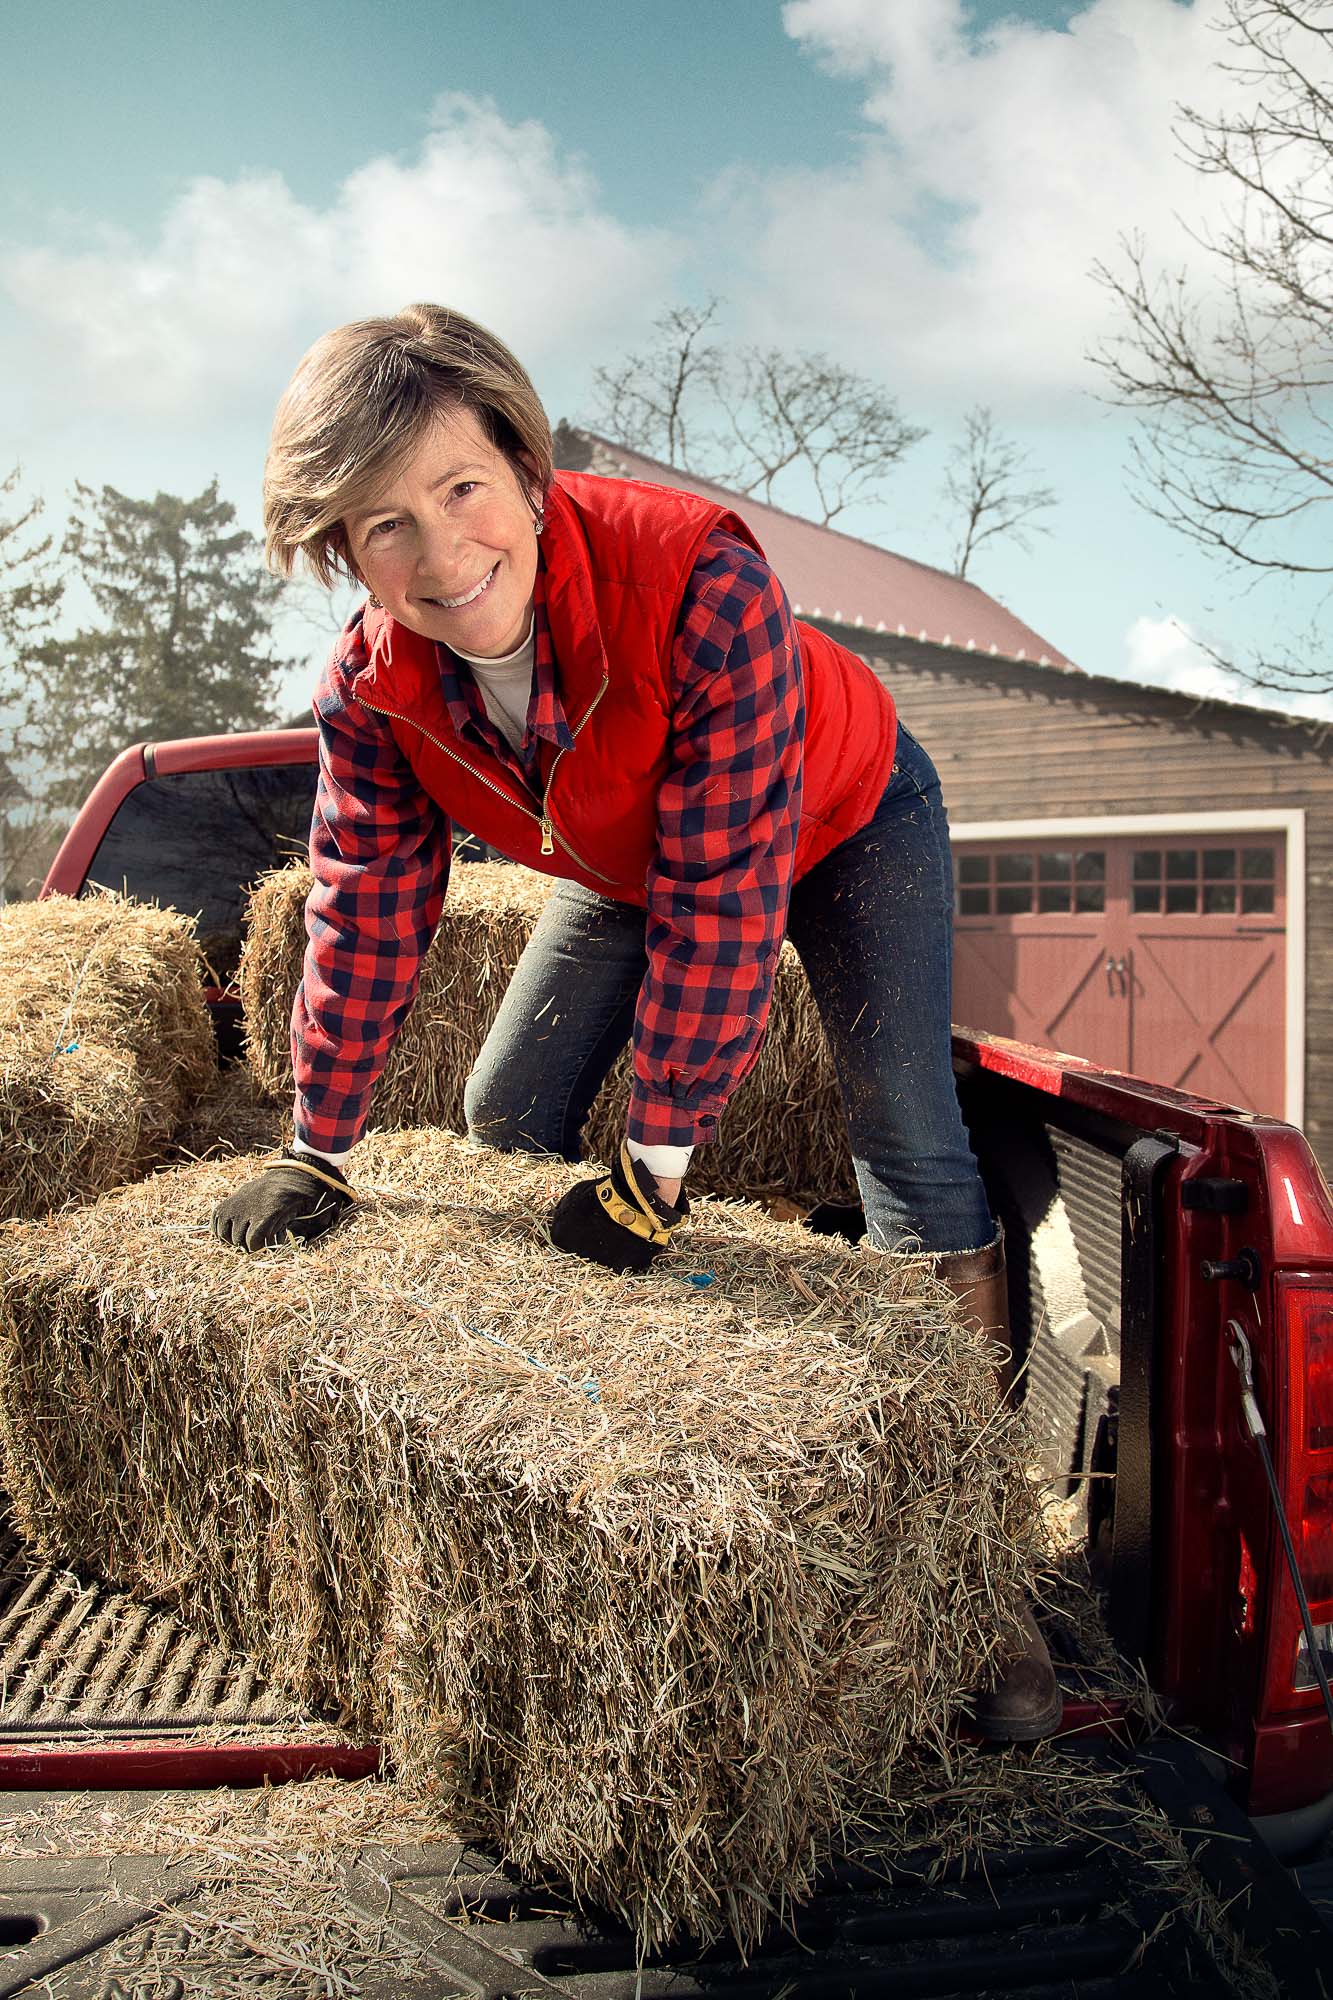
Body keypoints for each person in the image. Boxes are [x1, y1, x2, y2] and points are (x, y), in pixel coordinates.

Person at [211, 303, 1060, 1741]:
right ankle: (584, 1454)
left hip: (843, 816)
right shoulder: (372, 685)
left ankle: (978, 1578)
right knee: (501, 1115)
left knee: (904, 1138)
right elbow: (361, 898)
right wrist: (320, 1145)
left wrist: (656, 1170)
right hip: (625, 853)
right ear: (338, 555)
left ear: (527, 471)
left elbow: (725, 903)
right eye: (379, 527)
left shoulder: (694, 579)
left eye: (459, 491)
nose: (437, 552)